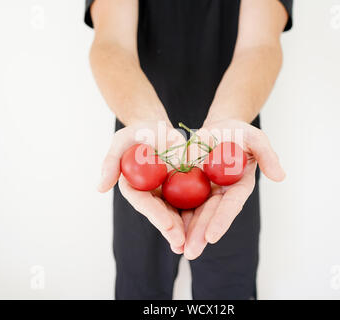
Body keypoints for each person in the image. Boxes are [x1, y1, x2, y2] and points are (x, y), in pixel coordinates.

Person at [84, 0, 292, 299]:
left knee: (228, 291)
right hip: (143, 152)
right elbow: (112, 43)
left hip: (231, 157)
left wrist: (226, 121)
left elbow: (259, 46)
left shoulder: (230, 158)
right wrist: (146, 121)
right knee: (139, 288)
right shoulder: (143, 159)